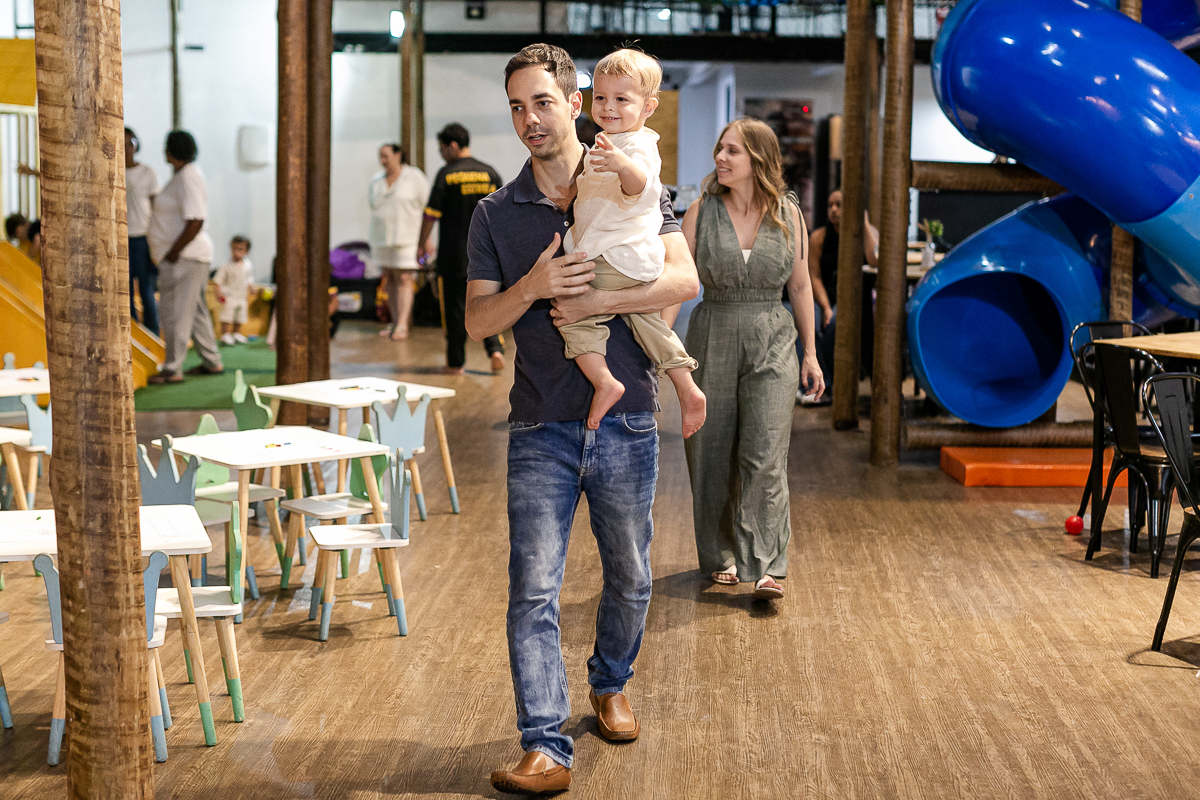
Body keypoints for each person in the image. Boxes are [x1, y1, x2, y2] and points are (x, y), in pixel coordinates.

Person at [466, 44, 698, 795]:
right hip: (538, 425)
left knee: (630, 575)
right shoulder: (496, 215)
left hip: (627, 416)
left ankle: (610, 681)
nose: (528, 119)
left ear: (575, 102)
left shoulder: (631, 179)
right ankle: (544, 743)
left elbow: (684, 277)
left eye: (541, 101)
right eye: (515, 107)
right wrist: (533, 284)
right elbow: (476, 322)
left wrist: (598, 302)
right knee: (532, 589)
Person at [681, 117, 824, 602]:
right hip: (711, 332)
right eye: (721, 149)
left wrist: (811, 352)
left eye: (733, 151)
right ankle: (720, 554)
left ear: (758, 159)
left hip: (772, 335)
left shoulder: (788, 213)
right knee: (710, 450)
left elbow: (800, 285)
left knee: (766, 450)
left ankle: (765, 565)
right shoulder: (701, 212)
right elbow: (677, 282)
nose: (721, 158)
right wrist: (660, 349)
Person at [561, 48, 706, 438]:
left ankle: (604, 380)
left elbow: (642, 185)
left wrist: (621, 166)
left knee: (571, 312)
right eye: (602, 97)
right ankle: (686, 386)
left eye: (622, 99)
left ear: (648, 107)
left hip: (613, 259)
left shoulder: (636, 146)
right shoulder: (611, 141)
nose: (608, 107)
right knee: (648, 324)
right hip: (629, 261)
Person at [418, 123, 506, 374]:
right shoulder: (489, 173)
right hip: (488, 256)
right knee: (490, 304)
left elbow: (430, 214)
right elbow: (502, 213)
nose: (442, 154)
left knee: (455, 310)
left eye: (442, 149)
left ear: (453, 146)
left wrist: (422, 243)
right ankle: (495, 350)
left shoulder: (447, 174)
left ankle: (456, 363)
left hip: (453, 256)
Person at [147, 130, 223, 384]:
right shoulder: (184, 176)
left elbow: (195, 220)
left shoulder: (188, 177)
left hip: (185, 257)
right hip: (187, 256)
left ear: (170, 151)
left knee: (176, 312)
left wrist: (172, 253)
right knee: (196, 310)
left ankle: (172, 368)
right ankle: (211, 361)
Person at [807, 189, 879, 397]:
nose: (834, 210)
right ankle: (817, 384)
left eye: (840, 205)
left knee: (836, 323)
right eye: (830, 205)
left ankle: (826, 384)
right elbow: (814, 277)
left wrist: (864, 222)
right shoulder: (819, 237)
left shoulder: (865, 233)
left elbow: (875, 260)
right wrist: (826, 308)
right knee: (805, 323)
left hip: (857, 300)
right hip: (825, 297)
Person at [369, 143, 428, 340]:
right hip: (383, 238)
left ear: (398, 155)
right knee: (391, 278)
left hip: (408, 237)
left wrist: (426, 240)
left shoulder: (414, 177)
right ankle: (394, 321)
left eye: (386, 155)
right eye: (380, 156)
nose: (383, 161)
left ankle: (403, 323)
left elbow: (426, 207)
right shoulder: (376, 181)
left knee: (404, 278)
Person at [125, 126, 161, 335]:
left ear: (136, 145)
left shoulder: (147, 173)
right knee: (125, 289)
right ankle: (130, 332)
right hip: (121, 238)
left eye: (129, 144)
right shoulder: (113, 171)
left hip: (143, 237)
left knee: (147, 289)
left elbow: (157, 207)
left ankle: (152, 333)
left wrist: (156, 237)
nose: (126, 149)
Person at [215, 235, 254, 345]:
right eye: (234, 249)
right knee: (227, 315)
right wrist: (218, 292)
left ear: (247, 251)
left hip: (241, 296)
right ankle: (225, 334)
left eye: (241, 249)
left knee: (240, 315)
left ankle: (236, 333)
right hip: (229, 295)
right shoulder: (226, 265)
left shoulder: (248, 265)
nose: (237, 252)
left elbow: (249, 278)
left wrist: (251, 288)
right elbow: (218, 280)